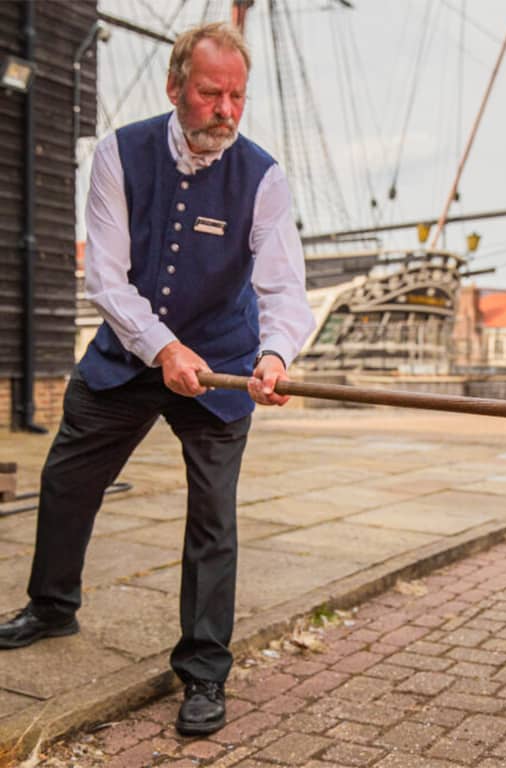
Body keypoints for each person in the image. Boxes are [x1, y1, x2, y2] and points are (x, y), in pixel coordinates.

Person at [0, 22, 315, 737]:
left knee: (213, 518)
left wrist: (274, 357)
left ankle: (204, 670)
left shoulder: (262, 176)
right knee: (66, 478)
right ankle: (52, 605)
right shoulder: (119, 153)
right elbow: (106, 278)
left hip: (224, 363)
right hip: (131, 351)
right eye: (210, 94)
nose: (226, 111)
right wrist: (163, 348)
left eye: (237, 96)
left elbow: (284, 288)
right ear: (175, 88)